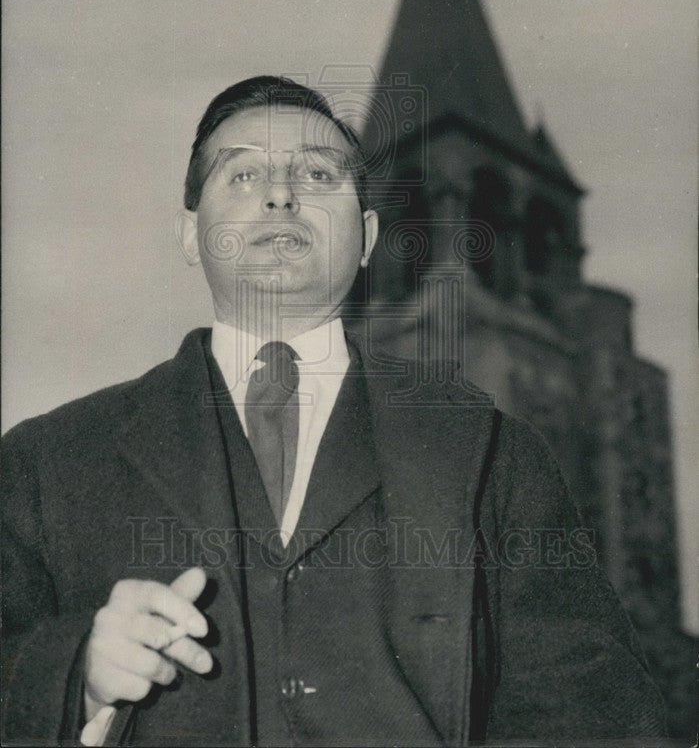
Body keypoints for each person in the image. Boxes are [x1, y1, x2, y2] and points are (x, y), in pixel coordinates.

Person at [2, 76, 667, 747]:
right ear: (188, 234)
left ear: (368, 235)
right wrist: (72, 674)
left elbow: (594, 715)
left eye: (318, 175)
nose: (281, 193)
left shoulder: (496, 459)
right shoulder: (42, 463)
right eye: (241, 176)